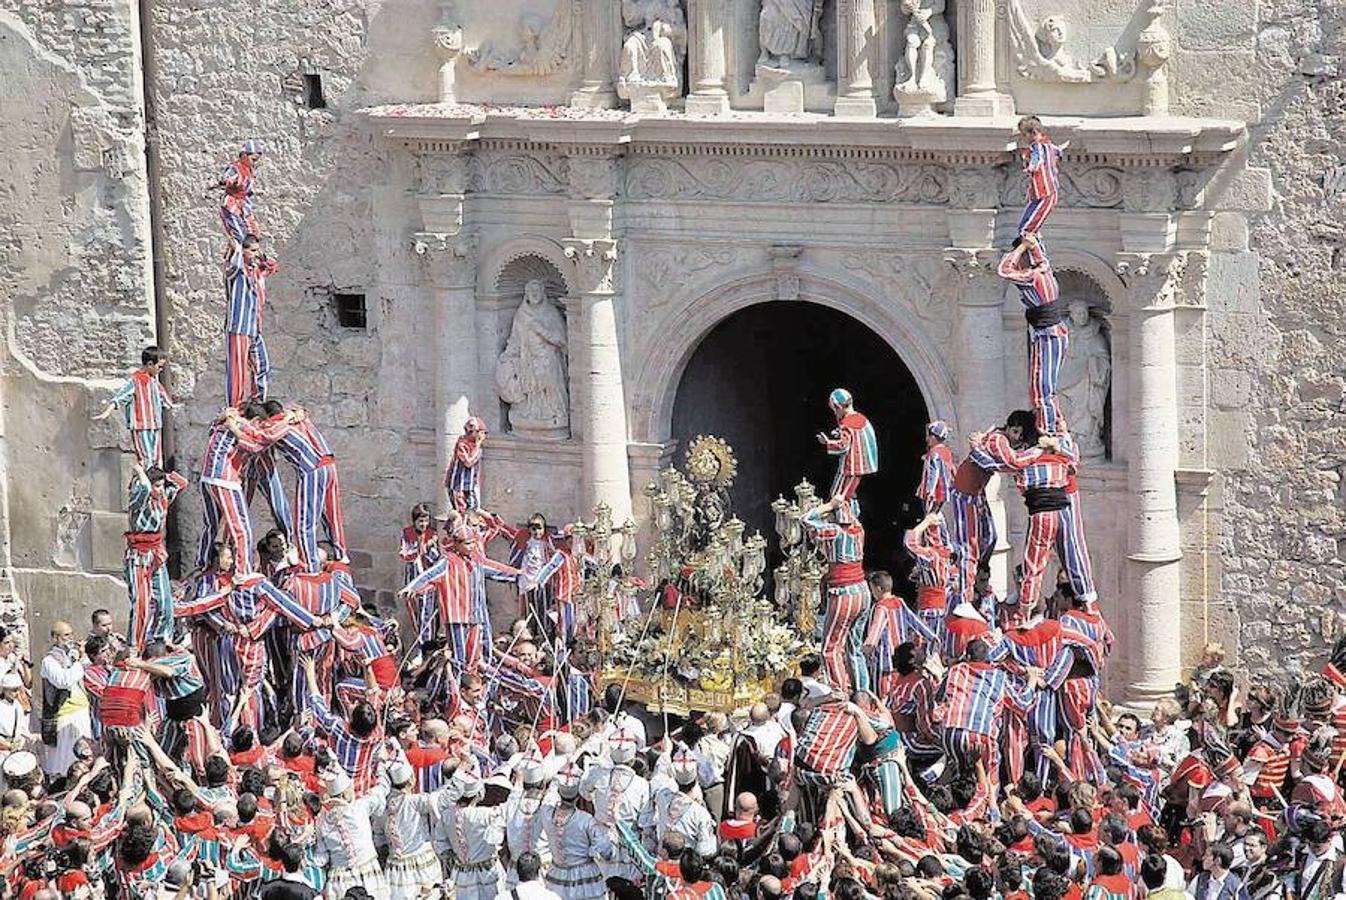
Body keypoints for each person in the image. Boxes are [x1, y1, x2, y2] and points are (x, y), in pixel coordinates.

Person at [999, 234, 1067, 437]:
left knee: (1040, 387)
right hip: (1054, 334)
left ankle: (1048, 431)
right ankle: (1056, 422)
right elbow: (1039, 254)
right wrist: (1032, 243)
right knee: (1046, 385)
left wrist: (1020, 248)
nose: (1017, 261)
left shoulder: (1032, 277)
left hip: (1047, 336)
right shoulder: (1044, 268)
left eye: (1020, 257)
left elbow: (1003, 270)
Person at [802, 496, 871, 694]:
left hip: (845, 594)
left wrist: (829, 505)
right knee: (854, 647)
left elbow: (806, 519)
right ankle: (862, 692)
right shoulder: (859, 529)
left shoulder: (836, 532)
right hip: (862, 591)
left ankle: (839, 693)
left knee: (830, 649)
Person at [123, 463, 188, 650]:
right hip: (139, 555)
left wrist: (163, 476)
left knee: (165, 600)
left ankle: (162, 636)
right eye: (156, 486)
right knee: (141, 601)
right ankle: (134, 644)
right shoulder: (138, 499)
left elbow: (181, 483)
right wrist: (139, 471)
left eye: (160, 486)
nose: (159, 490)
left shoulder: (162, 498)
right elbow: (144, 487)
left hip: (156, 553)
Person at [93, 346, 176, 467]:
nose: (161, 370)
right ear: (150, 364)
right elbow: (120, 397)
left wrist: (169, 404)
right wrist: (107, 412)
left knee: (157, 460)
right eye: (159, 366)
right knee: (145, 459)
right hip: (141, 426)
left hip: (155, 425)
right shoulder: (135, 381)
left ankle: (155, 484)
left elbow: (163, 397)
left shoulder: (154, 382)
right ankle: (143, 483)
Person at [223, 234, 279, 407]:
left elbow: (272, 266)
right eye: (252, 250)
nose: (255, 254)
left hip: (254, 327)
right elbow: (235, 263)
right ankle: (235, 406)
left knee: (262, 365)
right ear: (243, 251)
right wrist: (238, 248)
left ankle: (258, 402)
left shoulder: (255, 271)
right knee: (238, 371)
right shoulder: (234, 269)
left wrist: (260, 254)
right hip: (239, 326)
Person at [815, 389, 878, 518]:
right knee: (848, 494)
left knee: (838, 497)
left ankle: (846, 523)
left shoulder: (847, 423)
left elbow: (843, 446)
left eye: (835, 409)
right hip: (859, 468)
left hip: (850, 467)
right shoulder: (861, 418)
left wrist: (827, 442)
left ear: (839, 407)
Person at [40, 622, 91, 777]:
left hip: (81, 713)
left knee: (84, 754)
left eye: (71, 634)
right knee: (66, 760)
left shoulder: (72, 657)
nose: (71, 639)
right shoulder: (49, 661)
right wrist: (79, 662)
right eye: (66, 635)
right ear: (56, 638)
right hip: (65, 715)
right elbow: (63, 681)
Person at [1016, 116, 1065, 244]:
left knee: (1027, 230)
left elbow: (1038, 158)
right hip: (1041, 194)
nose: (1024, 138)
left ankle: (1038, 261)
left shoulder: (1037, 146)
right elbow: (1059, 151)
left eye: (1024, 134)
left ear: (1033, 133)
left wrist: (1032, 166)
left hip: (1045, 193)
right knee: (1026, 226)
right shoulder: (1049, 146)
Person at [216, 140, 264, 241]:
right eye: (253, 159)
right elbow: (228, 177)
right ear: (244, 156)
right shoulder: (236, 168)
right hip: (232, 205)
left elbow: (245, 188)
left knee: (253, 234)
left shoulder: (250, 170)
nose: (255, 163)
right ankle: (240, 254)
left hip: (244, 205)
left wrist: (254, 192)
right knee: (240, 236)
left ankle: (251, 254)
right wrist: (228, 180)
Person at [446, 417, 488, 513]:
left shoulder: (476, 446)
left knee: (473, 511)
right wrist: (477, 446)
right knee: (461, 512)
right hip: (458, 485)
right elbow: (468, 463)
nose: (483, 435)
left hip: (471, 486)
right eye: (481, 432)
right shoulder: (462, 445)